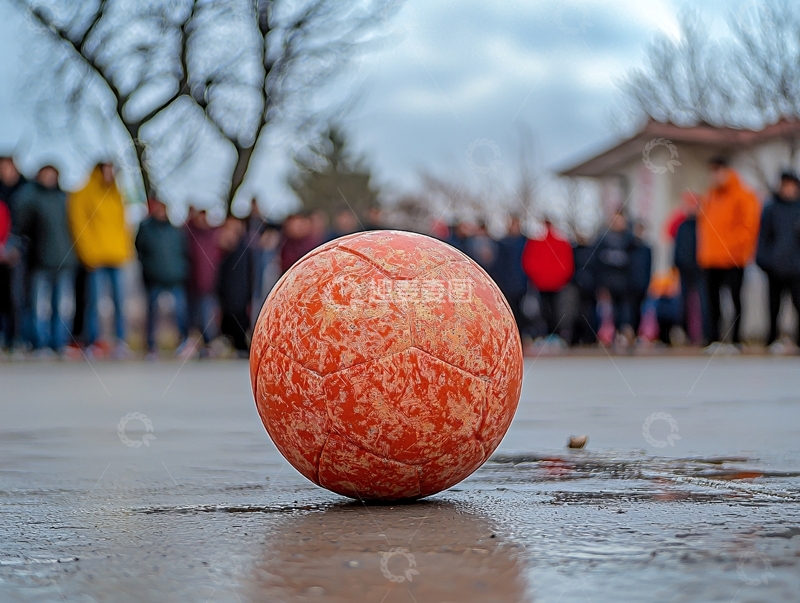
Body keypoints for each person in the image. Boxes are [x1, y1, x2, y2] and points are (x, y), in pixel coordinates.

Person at [67, 162, 133, 358]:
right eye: (106, 170)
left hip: (116, 255)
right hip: (95, 257)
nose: (110, 174)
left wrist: (125, 249)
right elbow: (78, 223)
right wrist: (87, 253)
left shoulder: (116, 193)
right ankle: (93, 341)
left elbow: (123, 224)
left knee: (120, 302)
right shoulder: (83, 193)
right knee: (93, 302)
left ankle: (120, 341)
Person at [11, 166, 77, 355]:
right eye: (45, 175)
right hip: (39, 260)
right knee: (38, 305)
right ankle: (40, 343)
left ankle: (59, 343)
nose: (49, 178)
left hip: (64, 260)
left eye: (53, 175)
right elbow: (20, 219)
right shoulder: (30, 197)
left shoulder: (65, 199)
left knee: (61, 306)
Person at [697, 157, 760, 348]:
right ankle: (714, 339)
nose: (715, 176)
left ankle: (736, 339)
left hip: (733, 258)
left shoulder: (743, 195)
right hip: (711, 258)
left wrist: (735, 249)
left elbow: (748, 227)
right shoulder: (710, 196)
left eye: (718, 171)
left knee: (735, 299)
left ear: (726, 171)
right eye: (712, 172)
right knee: (712, 301)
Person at [135, 198, 190, 358]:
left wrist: (181, 270)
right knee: (152, 312)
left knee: (180, 312)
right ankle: (151, 346)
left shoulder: (175, 231)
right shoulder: (146, 229)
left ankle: (183, 342)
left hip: (174, 277)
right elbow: (139, 249)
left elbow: (183, 252)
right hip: (154, 278)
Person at [756, 170, 800, 352]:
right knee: (773, 306)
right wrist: (764, 260)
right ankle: (771, 339)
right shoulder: (771, 208)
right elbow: (763, 237)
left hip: (797, 268)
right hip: (775, 267)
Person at [521, 220, 575, 340]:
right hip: (549, 283)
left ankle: (549, 335)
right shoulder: (556, 241)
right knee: (550, 310)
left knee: (548, 310)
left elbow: (529, 261)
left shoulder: (538, 242)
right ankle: (552, 335)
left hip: (549, 283)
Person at [591, 211, 636, 346]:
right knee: (607, 313)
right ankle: (606, 337)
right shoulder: (603, 239)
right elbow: (596, 263)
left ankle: (625, 336)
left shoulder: (630, 240)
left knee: (625, 313)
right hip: (607, 284)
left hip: (626, 285)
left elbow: (635, 264)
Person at [673, 191, 707, 346]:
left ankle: (704, 334)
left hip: (700, 269)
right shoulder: (681, 226)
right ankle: (686, 333)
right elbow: (676, 247)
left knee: (703, 302)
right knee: (683, 303)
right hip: (684, 269)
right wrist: (675, 264)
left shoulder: (703, 224)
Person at [185, 208, 222, 349]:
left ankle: (208, 343)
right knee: (192, 317)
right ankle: (193, 343)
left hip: (208, 285)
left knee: (208, 317)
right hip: (192, 285)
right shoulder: (190, 235)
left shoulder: (212, 236)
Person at [0, 157, 27, 348]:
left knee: (16, 297)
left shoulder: (25, 192)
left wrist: (17, 247)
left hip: (17, 252)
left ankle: (17, 338)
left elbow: (26, 226)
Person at [217, 217, 251, 355]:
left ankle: (241, 349)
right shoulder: (223, 251)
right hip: (226, 297)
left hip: (238, 298)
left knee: (238, 324)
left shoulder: (243, 251)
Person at [493, 216, 529, 336]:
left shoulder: (525, 242)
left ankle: (522, 334)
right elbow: (499, 265)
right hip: (507, 285)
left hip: (522, 284)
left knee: (523, 311)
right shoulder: (503, 243)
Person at [630, 221, 653, 337]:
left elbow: (649, 268)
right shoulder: (630, 247)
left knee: (640, 311)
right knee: (629, 310)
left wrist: (647, 284)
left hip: (642, 285)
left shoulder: (647, 249)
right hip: (630, 285)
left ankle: (637, 333)